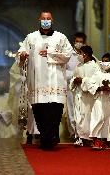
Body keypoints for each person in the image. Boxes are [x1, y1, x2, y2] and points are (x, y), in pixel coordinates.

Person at [17, 11, 73, 149]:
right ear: (39, 20)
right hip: (38, 82)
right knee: (40, 111)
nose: (46, 21)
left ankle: (51, 137)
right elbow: (20, 54)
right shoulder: (31, 38)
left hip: (56, 82)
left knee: (55, 111)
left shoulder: (61, 37)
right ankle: (45, 137)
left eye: (48, 18)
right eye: (43, 19)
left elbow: (67, 55)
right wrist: (22, 56)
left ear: (52, 20)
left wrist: (50, 54)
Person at [84, 53, 110, 150]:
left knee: (109, 120)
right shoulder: (97, 74)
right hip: (99, 99)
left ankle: (106, 141)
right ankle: (96, 140)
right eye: (103, 61)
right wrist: (99, 88)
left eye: (107, 61)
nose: (104, 63)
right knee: (98, 118)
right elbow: (90, 85)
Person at [69, 45, 100, 147]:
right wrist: (75, 80)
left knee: (87, 117)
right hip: (79, 95)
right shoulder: (79, 66)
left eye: (80, 53)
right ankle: (79, 137)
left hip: (89, 97)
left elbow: (95, 82)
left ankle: (89, 138)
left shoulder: (95, 67)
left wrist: (82, 80)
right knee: (78, 117)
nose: (79, 55)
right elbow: (73, 78)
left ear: (85, 55)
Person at [65, 32, 87, 140]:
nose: (79, 44)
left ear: (84, 43)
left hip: (83, 87)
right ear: (73, 42)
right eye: (77, 41)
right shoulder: (68, 54)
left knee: (82, 110)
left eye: (81, 42)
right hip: (70, 86)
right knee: (71, 109)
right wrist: (74, 76)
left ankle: (82, 133)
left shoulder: (87, 55)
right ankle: (73, 133)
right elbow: (63, 71)